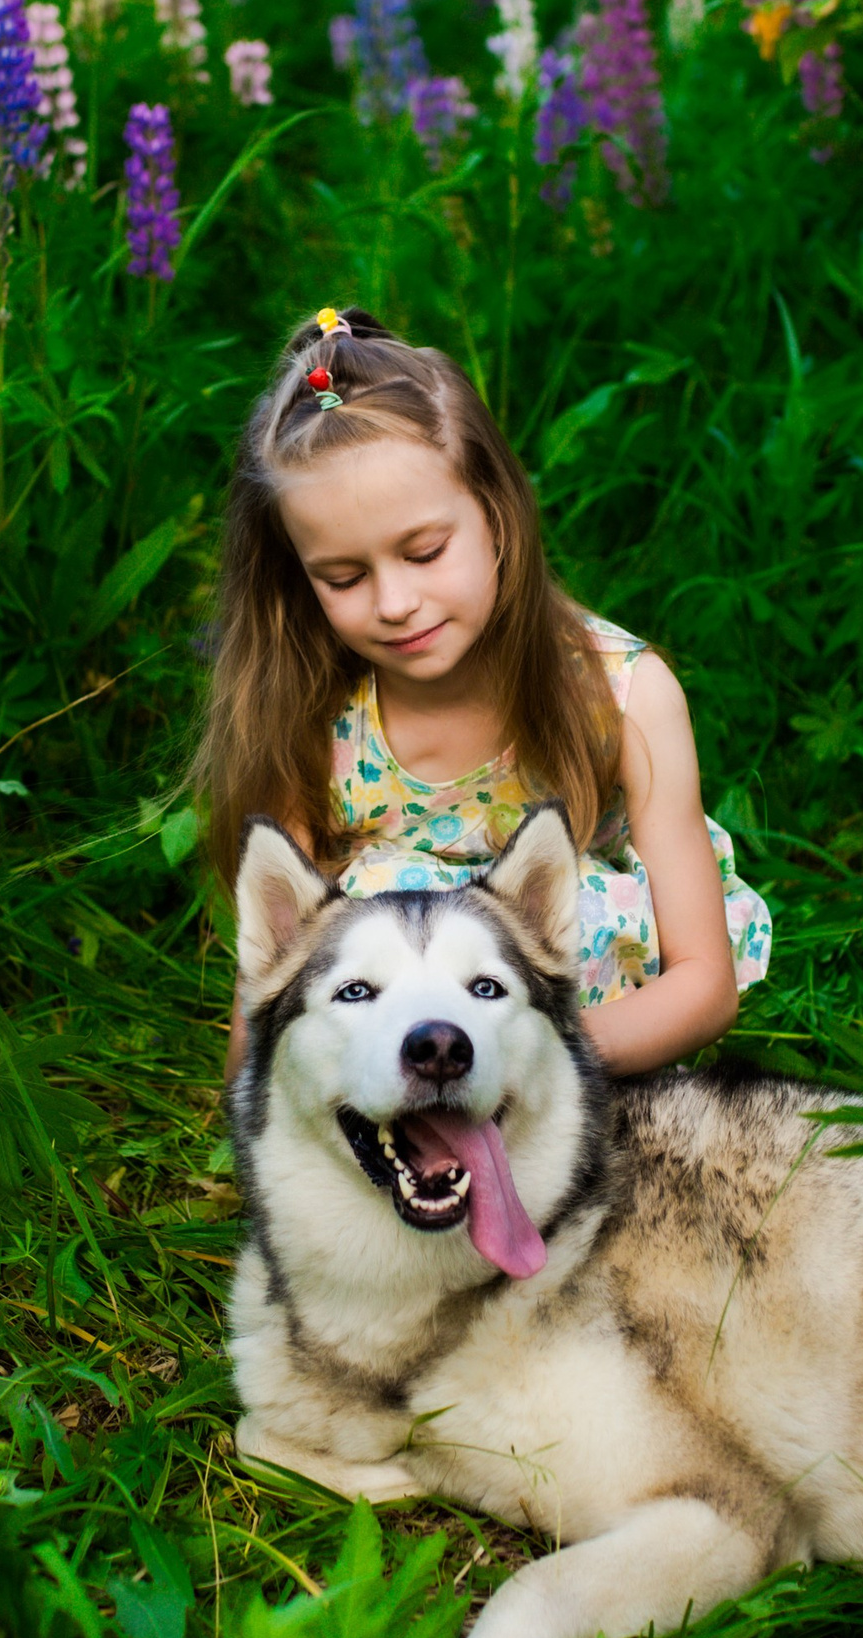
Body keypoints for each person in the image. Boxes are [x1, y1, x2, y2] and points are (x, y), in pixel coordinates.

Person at [201, 304, 770, 1073]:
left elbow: (705, 983)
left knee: (557, 911)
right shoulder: (312, 713)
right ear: (300, 579)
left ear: (497, 515)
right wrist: (255, 1098)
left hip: (572, 1028)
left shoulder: (626, 694)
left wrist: (522, 1054)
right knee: (376, 905)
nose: (395, 601)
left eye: (426, 552)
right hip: (396, 1047)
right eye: (345, 576)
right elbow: (271, 980)